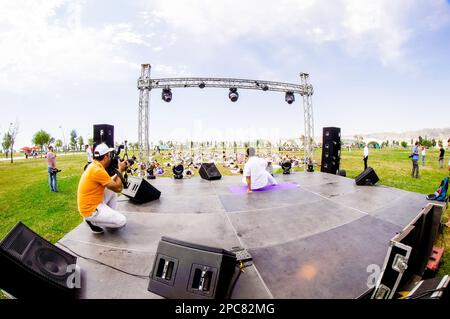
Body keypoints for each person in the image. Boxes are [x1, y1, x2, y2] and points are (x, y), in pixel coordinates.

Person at [77, 143, 128, 234]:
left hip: (92, 203)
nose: (110, 158)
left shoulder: (94, 165)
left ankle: (106, 217)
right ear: (105, 158)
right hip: (91, 210)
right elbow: (118, 188)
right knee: (121, 221)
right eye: (109, 156)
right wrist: (120, 170)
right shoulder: (97, 170)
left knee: (111, 191)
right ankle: (92, 221)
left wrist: (118, 173)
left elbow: (109, 182)